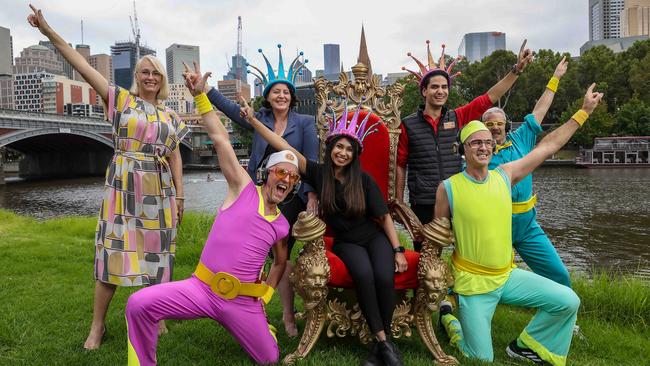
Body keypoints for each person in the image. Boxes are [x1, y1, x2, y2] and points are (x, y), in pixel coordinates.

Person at [27, 5, 188, 349]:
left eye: (155, 73)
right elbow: (81, 64)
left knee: (156, 259)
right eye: (145, 72)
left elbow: (174, 154)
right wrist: (48, 30)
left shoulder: (171, 115)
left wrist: (181, 196)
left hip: (159, 190)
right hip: (123, 184)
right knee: (111, 257)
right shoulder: (120, 99)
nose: (150, 77)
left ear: (162, 80)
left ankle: (155, 319)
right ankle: (97, 327)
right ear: (137, 75)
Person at [125, 64, 298, 365]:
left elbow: (281, 261)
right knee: (138, 304)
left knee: (270, 358)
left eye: (292, 177)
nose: (285, 178)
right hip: (200, 290)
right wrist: (201, 96)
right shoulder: (242, 188)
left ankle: (260, 329)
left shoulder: (282, 225)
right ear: (268, 175)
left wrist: (266, 295)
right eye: (281, 171)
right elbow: (220, 140)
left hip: (243, 303)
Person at [436, 84, 603, 365]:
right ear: (463, 149)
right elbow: (437, 236)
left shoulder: (505, 174)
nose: (484, 146)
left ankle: (526, 346)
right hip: (473, 284)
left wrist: (583, 112)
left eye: (488, 141)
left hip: (507, 277)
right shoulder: (448, 188)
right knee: (482, 359)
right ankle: (451, 323)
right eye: (476, 142)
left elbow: (549, 145)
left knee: (568, 300)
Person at [239, 97, 409, 366]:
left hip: (373, 237)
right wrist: (253, 120)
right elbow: (284, 146)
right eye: (338, 147)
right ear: (330, 148)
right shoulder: (318, 173)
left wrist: (398, 250)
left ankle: (382, 346)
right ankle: (385, 344)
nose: (343, 153)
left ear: (354, 154)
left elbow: (385, 217)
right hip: (346, 242)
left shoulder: (362, 179)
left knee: (384, 276)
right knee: (364, 275)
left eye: (348, 149)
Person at [204, 45, 319, 336]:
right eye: (275, 91)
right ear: (267, 96)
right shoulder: (259, 120)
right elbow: (230, 110)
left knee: (285, 256)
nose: (281, 96)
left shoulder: (304, 123)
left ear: (292, 98)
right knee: (254, 254)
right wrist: (204, 90)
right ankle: (245, 307)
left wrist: (312, 196)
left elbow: (311, 162)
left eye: (286, 92)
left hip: (292, 197)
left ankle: (288, 316)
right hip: (258, 196)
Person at [398, 41, 533, 250]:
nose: (440, 91)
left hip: (458, 196)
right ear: (424, 91)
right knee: (425, 256)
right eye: (434, 87)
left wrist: (516, 71)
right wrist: (399, 202)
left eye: (444, 87)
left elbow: (489, 97)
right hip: (424, 201)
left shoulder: (458, 117)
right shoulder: (408, 124)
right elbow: (400, 164)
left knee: (469, 250)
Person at [482, 57, 571, 287]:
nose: (494, 128)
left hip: (527, 226)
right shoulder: (478, 153)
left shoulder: (522, 138)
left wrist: (555, 78)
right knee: (488, 280)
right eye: (489, 125)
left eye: (498, 124)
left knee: (559, 274)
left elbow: (541, 108)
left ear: (506, 125)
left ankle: (565, 319)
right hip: (496, 226)